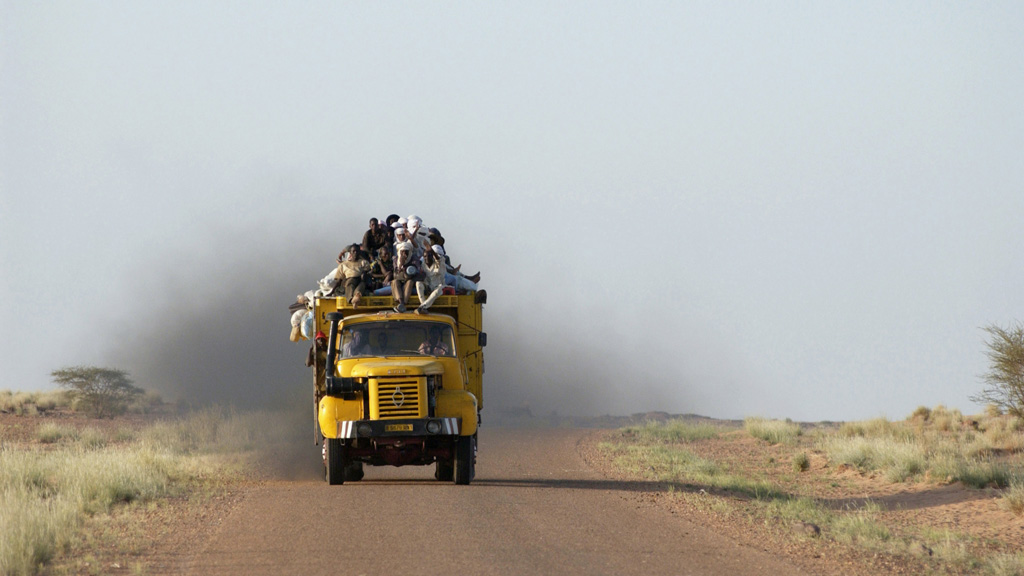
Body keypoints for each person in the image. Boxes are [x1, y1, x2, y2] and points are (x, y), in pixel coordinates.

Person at [391, 230, 423, 313]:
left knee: (410, 282)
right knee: (394, 282)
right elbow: (396, 273)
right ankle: (401, 302)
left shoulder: (414, 258)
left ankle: (402, 304)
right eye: (402, 251)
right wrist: (401, 264)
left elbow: (416, 271)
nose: (404, 253)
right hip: (400, 278)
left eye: (406, 251)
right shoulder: (395, 259)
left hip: (409, 279)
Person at [415, 246, 446, 314]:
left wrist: (432, 251)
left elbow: (438, 259)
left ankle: (422, 306)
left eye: (429, 256)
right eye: (425, 256)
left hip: (437, 286)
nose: (427, 258)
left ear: (432, 256)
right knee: (418, 283)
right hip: (428, 285)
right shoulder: (422, 265)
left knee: (438, 290)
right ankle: (423, 305)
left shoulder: (438, 263)